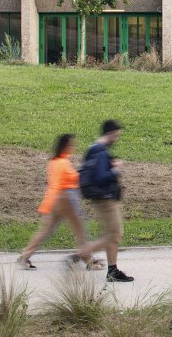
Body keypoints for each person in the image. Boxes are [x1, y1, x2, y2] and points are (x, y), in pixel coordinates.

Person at [17, 134, 104, 271]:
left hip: (58, 201)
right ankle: (88, 260)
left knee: (46, 230)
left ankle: (24, 256)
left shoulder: (57, 161)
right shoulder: (62, 163)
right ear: (64, 146)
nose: (73, 147)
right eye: (71, 145)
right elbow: (57, 184)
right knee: (80, 229)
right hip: (65, 200)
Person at [78, 120, 133, 283]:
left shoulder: (94, 149)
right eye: (116, 135)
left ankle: (112, 270)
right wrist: (116, 168)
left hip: (101, 198)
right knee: (114, 234)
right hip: (106, 199)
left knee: (112, 235)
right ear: (109, 133)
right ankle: (82, 254)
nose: (117, 138)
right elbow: (101, 177)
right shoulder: (101, 152)